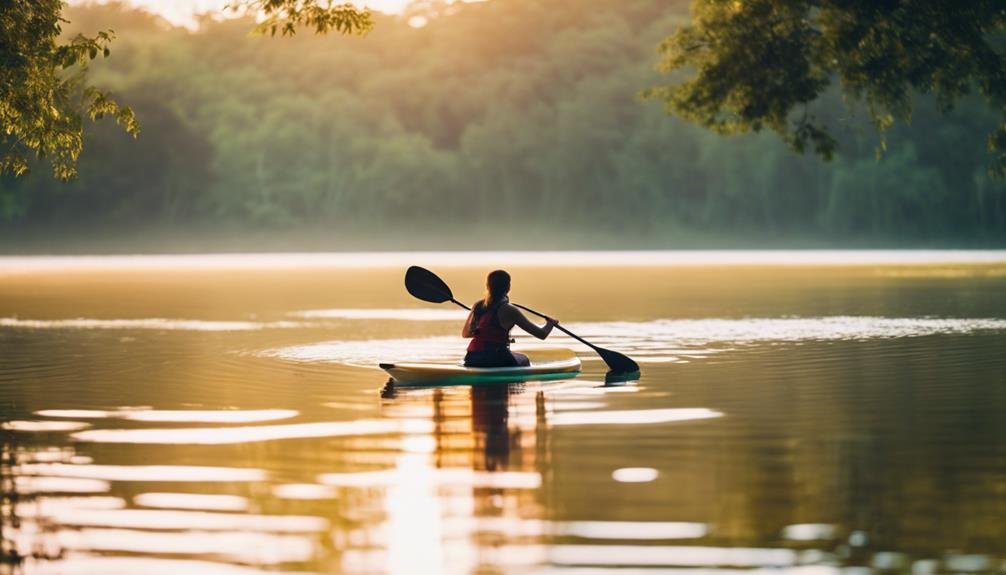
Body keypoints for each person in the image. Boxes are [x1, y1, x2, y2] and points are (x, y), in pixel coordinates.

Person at [462, 270, 558, 367]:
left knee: (517, 356)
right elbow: (541, 334)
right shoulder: (510, 310)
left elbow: (465, 334)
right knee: (524, 359)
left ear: (487, 286)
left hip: (472, 358)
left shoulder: (478, 306)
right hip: (496, 359)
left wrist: (485, 334)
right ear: (508, 288)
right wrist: (551, 324)